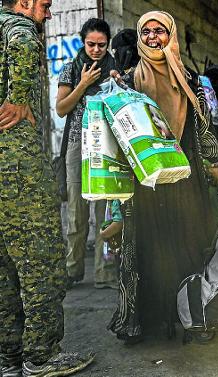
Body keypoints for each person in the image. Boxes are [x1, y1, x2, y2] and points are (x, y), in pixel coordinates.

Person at [107, 10, 218, 344]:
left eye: (160, 31)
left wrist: (214, 164)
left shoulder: (192, 80)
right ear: (139, 38)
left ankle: (192, 319)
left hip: (186, 181)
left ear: (171, 35)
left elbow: (207, 131)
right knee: (148, 248)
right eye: (146, 32)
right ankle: (149, 321)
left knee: (188, 245)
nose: (153, 38)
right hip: (145, 185)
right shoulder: (127, 82)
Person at [0, 0, 95, 376]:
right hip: (17, 165)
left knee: (4, 267)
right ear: (23, 2)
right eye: (44, 5)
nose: (49, 13)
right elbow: (24, 43)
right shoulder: (16, 28)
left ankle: (9, 358)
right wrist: (19, 97)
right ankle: (40, 356)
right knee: (40, 260)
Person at [56, 18, 118, 290]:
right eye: (91, 44)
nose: (96, 50)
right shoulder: (71, 68)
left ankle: (104, 272)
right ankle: (73, 269)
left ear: (108, 45)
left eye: (101, 45)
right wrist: (82, 84)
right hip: (76, 146)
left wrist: (119, 84)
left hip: (107, 147)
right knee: (76, 213)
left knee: (105, 213)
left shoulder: (114, 68)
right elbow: (61, 108)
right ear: (83, 42)